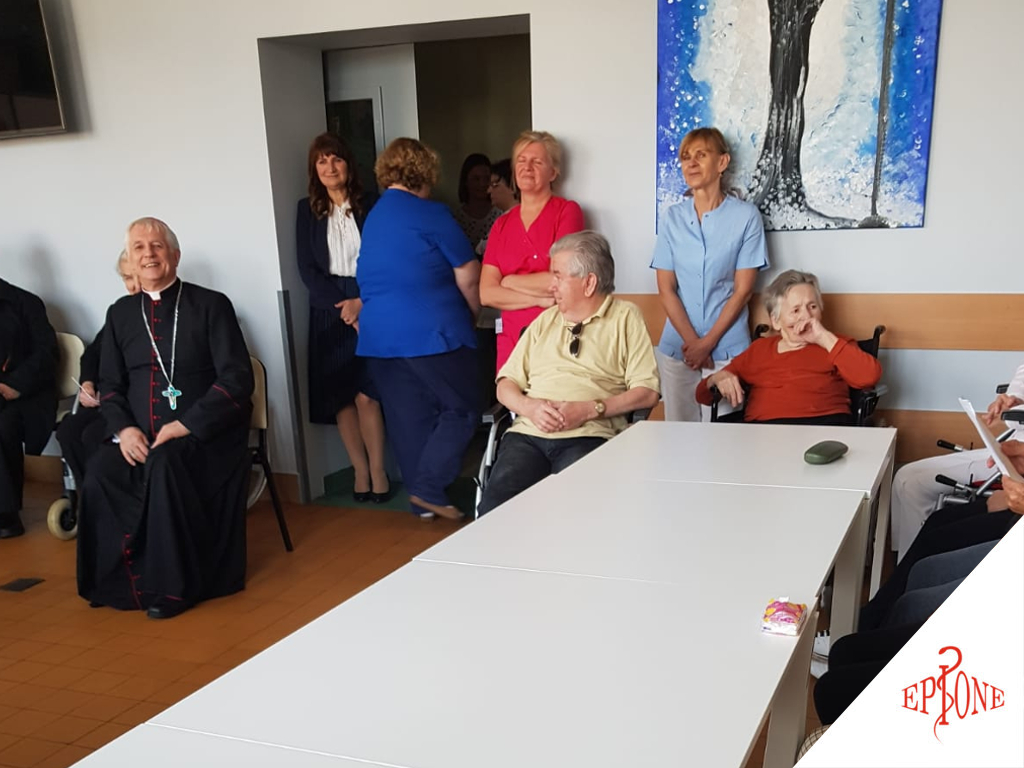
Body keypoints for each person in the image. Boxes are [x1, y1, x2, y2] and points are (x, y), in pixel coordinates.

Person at [77, 217, 254, 619]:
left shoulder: (211, 305)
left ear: (175, 255)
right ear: (130, 260)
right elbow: (110, 384)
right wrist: (125, 430)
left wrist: (185, 425)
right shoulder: (121, 313)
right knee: (102, 469)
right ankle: (115, 582)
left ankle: (174, 589)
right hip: (140, 433)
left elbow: (237, 378)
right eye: (139, 248)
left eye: (157, 246)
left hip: (203, 434)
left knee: (165, 465)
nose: (149, 254)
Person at [477, 231, 661, 515]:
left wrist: (590, 409)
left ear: (589, 283)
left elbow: (647, 392)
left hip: (590, 436)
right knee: (495, 512)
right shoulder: (545, 320)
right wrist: (529, 407)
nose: (551, 285)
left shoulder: (625, 317)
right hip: (528, 435)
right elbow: (505, 384)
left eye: (558, 276)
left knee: (574, 514)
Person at [356, 138, 481, 521]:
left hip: (379, 338)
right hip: (430, 330)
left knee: (409, 418)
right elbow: (468, 273)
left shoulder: (375, 216)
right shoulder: (432, 213)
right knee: (463, 407)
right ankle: (429, 487)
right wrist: (472, 314)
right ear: (425, 172)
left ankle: (422, 501)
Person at [650, 127, 769, 422]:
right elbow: (666, 289)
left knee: (725, 437)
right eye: (685, 157)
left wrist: (706, 344)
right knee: (679, 436)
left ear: (722, 162)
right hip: (679, 347)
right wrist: (693, 343)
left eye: (701, 155)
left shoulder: (746, 217)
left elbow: (743, 290)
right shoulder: (672, 218)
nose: (691, 163)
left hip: (728, 348)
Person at [296, 132, 389, 502]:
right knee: (341, 399)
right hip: (328, 306)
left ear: (349, 164)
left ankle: (379, 471)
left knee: (369, 395)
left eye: (336, 159)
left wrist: (361, 304)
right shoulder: (306, 210)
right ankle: (359, 471)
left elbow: (385, 259)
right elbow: (307, 268)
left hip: (370, 299)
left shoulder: (373, 205)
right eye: (322, 161)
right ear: (314, 169)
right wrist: (344, 307)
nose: (329, 167)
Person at [695, 270, 882, 425]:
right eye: (796, 310)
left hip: (824, 429)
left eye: (813, 307)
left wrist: (823, 338)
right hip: (764, 435)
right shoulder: (760, 350)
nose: (806, 316)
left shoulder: (835, 343)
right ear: (776, 321)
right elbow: (702, 395)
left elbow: (869, 377)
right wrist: (718, 378)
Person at [889, 362, 1024, 561]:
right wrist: (1013, 397)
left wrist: (1016, 411)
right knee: (904, 475)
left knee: (913, 485)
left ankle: (911, 565)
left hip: (1018, 460)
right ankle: (900, 562)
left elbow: (1013, 420)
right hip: (1012, 444)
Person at [481, 131, 585, 372]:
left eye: (537, 162)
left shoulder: (567, 212)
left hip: (554, 336)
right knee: (510, 394)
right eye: (521, 160)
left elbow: (561, 280)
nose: (527, 167)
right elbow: (486, 294)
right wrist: (538, 299)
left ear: (553, 172)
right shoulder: (501, 225)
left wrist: (508, 281)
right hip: (510, 341)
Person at [56, 251, 140, 492]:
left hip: (134, 404)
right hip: (106, 400)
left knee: (93, 435)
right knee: (68, 431)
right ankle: (87, 496)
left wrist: (112, 395)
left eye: (137, 277)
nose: (133, 286)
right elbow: (92, 355)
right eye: (127, 278)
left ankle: (107, 496)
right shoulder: (120, 312)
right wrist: (88, 384)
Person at [0, 279, 58, 539]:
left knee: (4, 424)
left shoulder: (25, 303)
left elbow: (47, 354)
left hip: (24, 394)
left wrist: (14, 385)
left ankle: (5, 513)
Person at [451, 152, 502, 252]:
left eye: (486, 179)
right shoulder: (456, 219)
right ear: (466, 181)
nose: (482, 184)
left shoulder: (500, 216)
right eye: (476, 179)